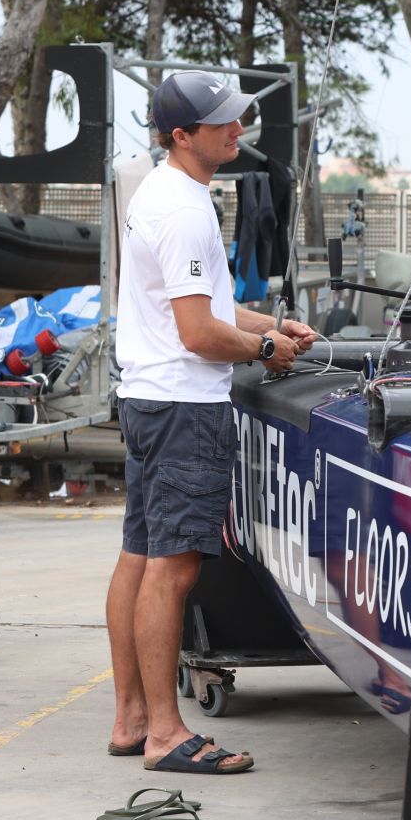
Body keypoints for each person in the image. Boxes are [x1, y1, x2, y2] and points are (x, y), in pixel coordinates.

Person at [107, 71, 318, 775]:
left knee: (140, 556)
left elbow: (201, 304)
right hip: (183, 407)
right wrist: (266, 349)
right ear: (180, 135)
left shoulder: (162, 194)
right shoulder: (187, 211)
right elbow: (199, 333)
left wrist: (270, 323)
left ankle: (133, 717)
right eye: (222, 122)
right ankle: (167, 734)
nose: (238, 129)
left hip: (145, 396)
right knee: (172, 569)